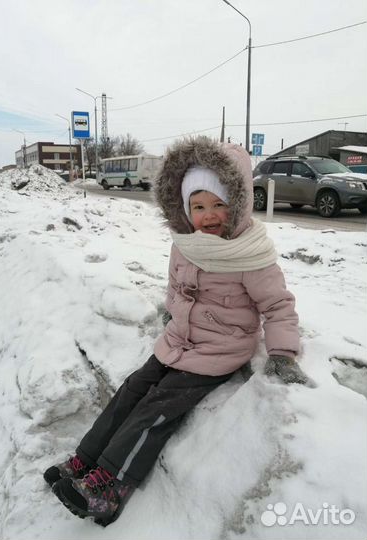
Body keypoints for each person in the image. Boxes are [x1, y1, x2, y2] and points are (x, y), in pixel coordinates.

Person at [44, 136, 310, 526]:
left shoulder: (250, 254)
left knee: (156, 409)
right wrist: (174, 315)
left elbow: (277, 305)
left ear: (238, 203)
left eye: (220, 204)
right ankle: (86, 461)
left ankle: (110, 486)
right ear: (185, 209)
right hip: (179, 343)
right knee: (133, 390)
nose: (209, 215)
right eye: (199, 206)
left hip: (218, 352)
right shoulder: (185, 244)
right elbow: (176, 289)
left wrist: (283, 353)